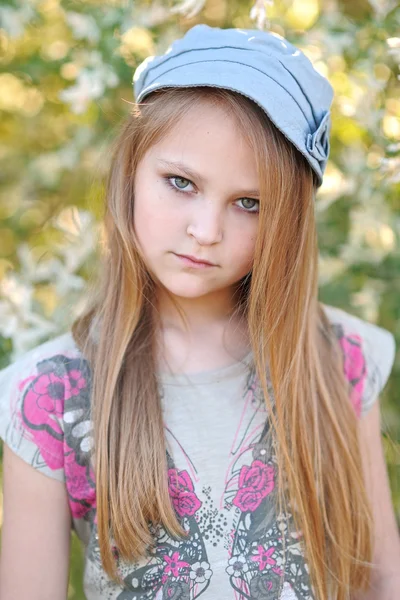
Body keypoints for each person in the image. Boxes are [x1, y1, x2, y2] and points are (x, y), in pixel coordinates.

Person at [0, 23, 399, 600]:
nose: (206, 231)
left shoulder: (337, 360)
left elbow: (380, 579)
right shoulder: (50, 396)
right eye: (181, 182)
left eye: (248, 203)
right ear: (130, 170)